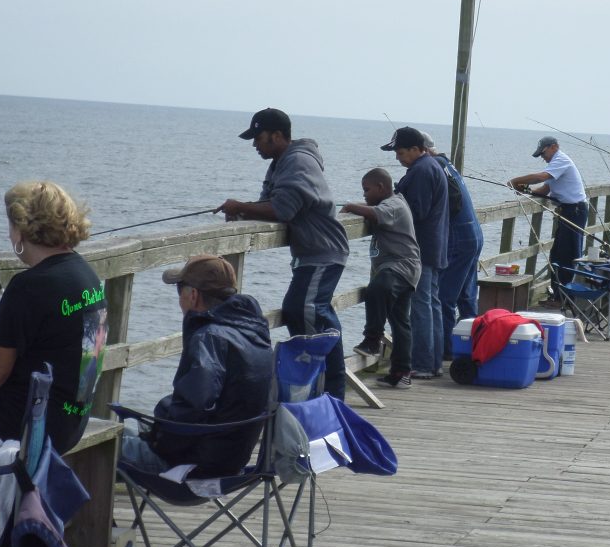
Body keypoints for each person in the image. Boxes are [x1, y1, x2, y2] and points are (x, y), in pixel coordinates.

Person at [0, 181, 107, 455]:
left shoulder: (30, 285)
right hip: (68, 423)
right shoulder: (85, 275)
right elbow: (25, 340)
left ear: (19, 230)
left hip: (28, 422)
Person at [216, 108, 348, 400]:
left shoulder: (297, 161)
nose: (255, 145)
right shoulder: (280, 163)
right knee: (306, 312)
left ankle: (332, 393)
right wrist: (243, 211)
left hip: (323, 251)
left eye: (258, 138)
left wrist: (240, 206)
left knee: (305, 311)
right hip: (312, 251)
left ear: (277, 136)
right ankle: (319, 388)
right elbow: (269, 203)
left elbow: (282, 209)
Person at [120, 255, 273, 476]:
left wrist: (156, 441)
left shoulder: (209, 338)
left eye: (179, 290)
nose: (178, 299)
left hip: (193, 466)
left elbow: (192, 411)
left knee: (95, 437)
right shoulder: (255, 333)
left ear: (193, 295)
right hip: (231, 460)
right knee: (129, 426)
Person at [341, 168, 421, 389]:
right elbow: (375, 209)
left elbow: (376, 214)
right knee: (400, 321)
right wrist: (361, 206)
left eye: (367, 190)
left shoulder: (394, 205)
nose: (365, 194)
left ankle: (372, 340)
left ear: (381, 187)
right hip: (408, 267)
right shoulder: (392, 202)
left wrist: (351, 206)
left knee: (377, 289)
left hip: (401, 266)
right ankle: (401, 372)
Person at [382, 126, 448, 379]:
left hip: (422, 247)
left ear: (415, 149)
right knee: (432, 304)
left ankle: (421, 364)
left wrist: (387, 209)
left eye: (400, 152)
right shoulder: (432, 166)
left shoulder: (420, 171)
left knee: (421, 306)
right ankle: (434, 363)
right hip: (434, 244)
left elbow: (416, 211)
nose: (398, 157)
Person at [421, 132, 483, 361]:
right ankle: (475, 345)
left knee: (444, 296)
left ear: (423, 150)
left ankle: (447, 349)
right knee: (466, 297)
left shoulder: (432, 167)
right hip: (473, 233)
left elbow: (450, 201)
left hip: (458, 237)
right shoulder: (447, 163)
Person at [508, 136, 588, 306]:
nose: (542, 157)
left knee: (568, 255)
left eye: (543, 153)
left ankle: (565, 299)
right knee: (557, 254)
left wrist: (516, 180)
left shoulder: (561, 160)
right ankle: (558, 296)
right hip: (567, 211)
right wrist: (527, 191)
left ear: (554, 147)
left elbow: (541, 177)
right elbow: (544, 189)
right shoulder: (554, 165)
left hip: (575, 211)